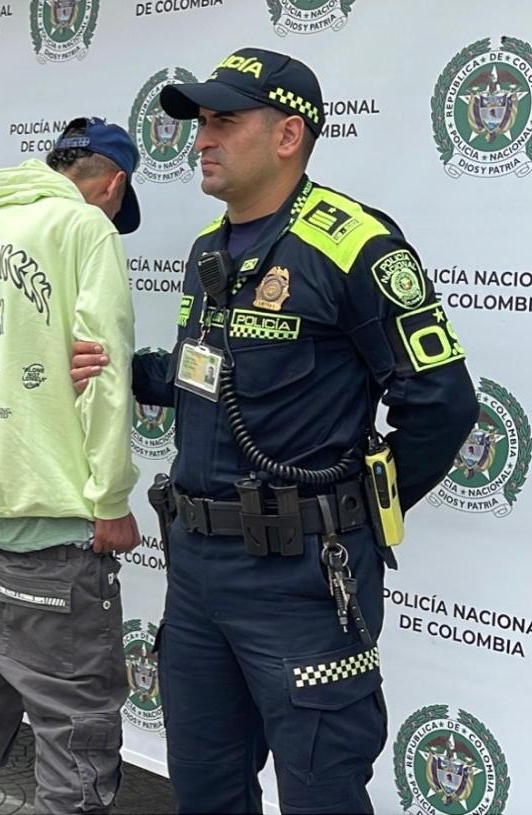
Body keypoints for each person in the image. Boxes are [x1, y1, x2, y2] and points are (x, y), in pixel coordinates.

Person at [70, 48, 478, 813]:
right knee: (206, 789)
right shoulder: (205, 251)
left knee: (322, 793)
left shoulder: (354, 243)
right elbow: (208, 376)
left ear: (289, 135)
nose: (201, 140)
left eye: (224, 120)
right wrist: (124, 368)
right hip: (196, 575)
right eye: (200, 124)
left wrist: (353, 508)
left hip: (303, 582)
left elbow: (443, 404)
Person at [0, 119, 142, 815]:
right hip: (58, 527)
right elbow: (104, 374)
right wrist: (110, 497)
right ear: (113, 183)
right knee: (74, 733)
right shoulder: (86, 230)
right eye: (117, 199)